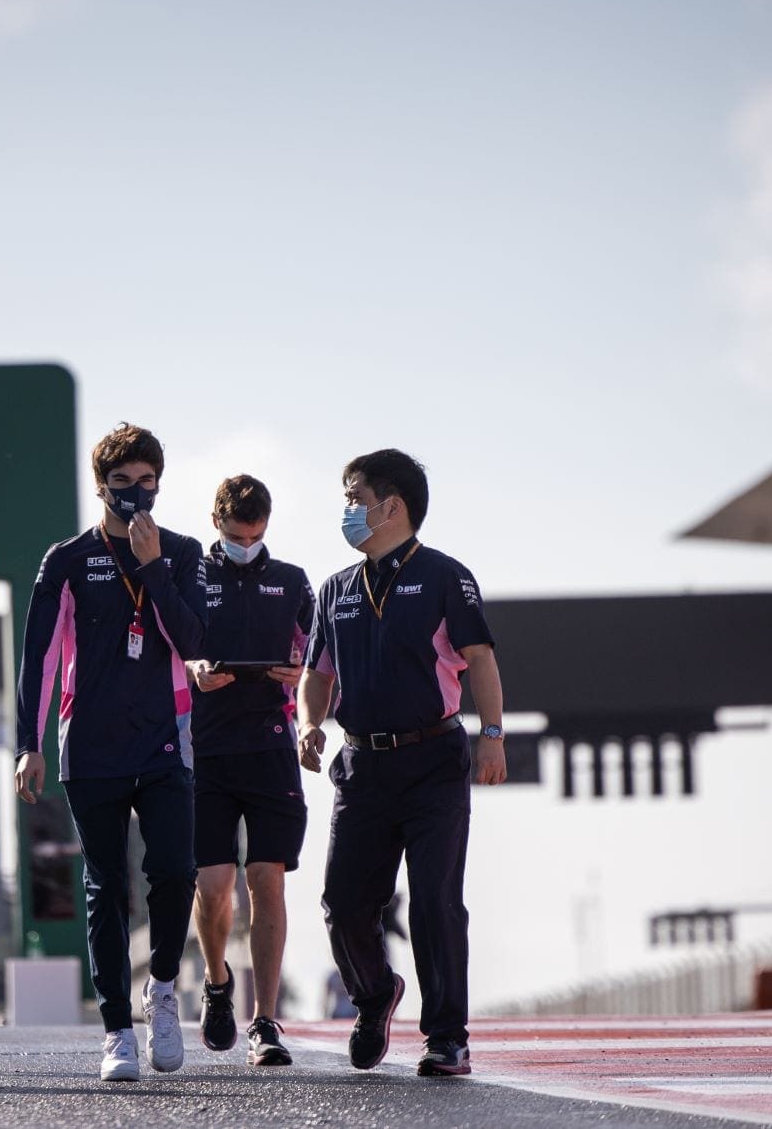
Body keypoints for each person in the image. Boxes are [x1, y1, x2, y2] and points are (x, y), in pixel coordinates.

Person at [296, 449, 509, 1078]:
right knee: (342, 901)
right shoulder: (334, 588)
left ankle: (447, 1037)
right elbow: (316, 672)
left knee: (435, 902)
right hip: (361, 767)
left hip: (434, 762)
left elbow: (481, 659)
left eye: (354, 496)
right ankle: (374, 995)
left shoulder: (446, 576)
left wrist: (492, 734)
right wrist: (310, 724)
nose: (347, 509)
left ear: (392, 506)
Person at [14, 423, 208, 1082]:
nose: (134, 493)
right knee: (105, 888)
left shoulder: (182, 552)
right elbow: (38, 657)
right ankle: (117, 1030)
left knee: (175, 871)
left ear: (159, 482)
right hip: (90, 747)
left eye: (145, 481)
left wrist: (152, 569)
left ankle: (161, 988)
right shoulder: (66, 560)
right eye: (121, 482)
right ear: (100, 485)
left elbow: (193, 639)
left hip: (162, 741)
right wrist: (27, 744)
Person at [186, 474, 313, 1066]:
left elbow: (315, 657)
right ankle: (217, 985)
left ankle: (265, 1022)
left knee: (267, 878)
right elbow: (171, 644)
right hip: (204, 749)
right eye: (237, 535)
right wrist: (193, 668)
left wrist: (300, 676)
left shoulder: (292, 582)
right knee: (213, 888)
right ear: (218, 524)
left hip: (269, 747)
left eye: (257, 535)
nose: (247, 544)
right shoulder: (191, 573)